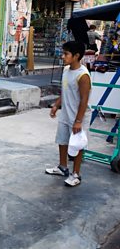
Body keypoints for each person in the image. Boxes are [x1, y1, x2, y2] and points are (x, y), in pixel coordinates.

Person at [46, 41, 91, 187]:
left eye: (66, 54)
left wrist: (78, 121)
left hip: (79, 115)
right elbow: (65, 91)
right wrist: (56, 105)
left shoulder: (83, 75)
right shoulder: (66, 70)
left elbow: (84, 100)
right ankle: (62, 167)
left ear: (76, 56)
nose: (62, 56)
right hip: (66, 113)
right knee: (62, 140)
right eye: (63, 53)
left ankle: (76, 174)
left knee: (76, 145)